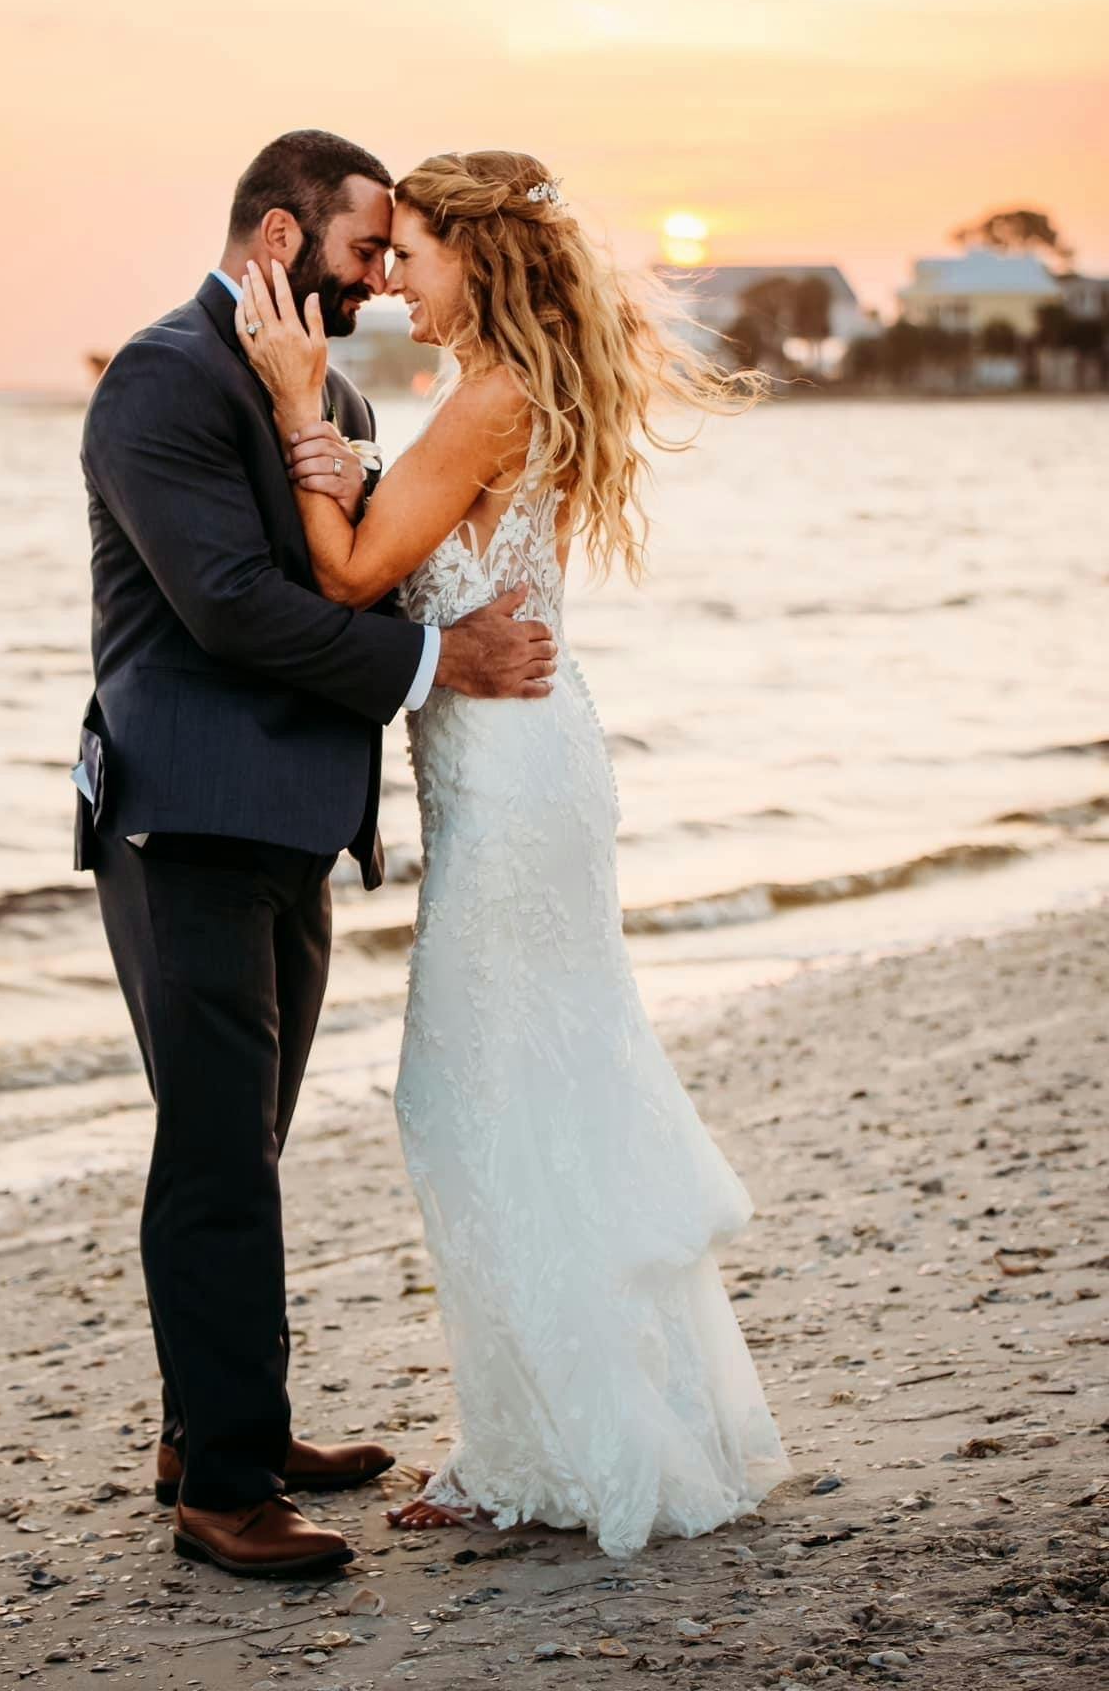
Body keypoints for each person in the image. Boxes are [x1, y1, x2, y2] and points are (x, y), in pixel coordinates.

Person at [239, 148, 789, 1559]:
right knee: (537, 1087)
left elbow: (356, 577)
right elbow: (426, 533)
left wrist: (305, 414)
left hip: (517, 789)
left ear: (472, 260)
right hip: (532, 775)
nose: (389, 280)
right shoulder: (494, 398)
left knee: (465, 1099)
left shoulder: (484, 398)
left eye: (410, 254)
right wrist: (356, 463)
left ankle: (535, 1451)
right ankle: (572, 1426)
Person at [75, 130, 557, 1578]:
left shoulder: (325, 389)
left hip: (288, 825)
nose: (378, 279)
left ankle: (222, 1423)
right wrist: (433, 663)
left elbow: (348, 557)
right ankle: (221, 1490)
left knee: (249, 1140)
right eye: (364, 251)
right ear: (283, 239)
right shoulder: (162, 378)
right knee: (216, 1152)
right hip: (188, 817)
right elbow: (226, 606)